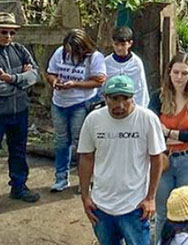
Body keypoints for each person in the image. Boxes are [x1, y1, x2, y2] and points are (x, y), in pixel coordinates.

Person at [79, 75, 165, 245]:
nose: (119, 105)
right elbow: (86, 157)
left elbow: (157, 159)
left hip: (134, 206)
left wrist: (150, 197)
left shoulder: (147, 119)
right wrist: (85, 196)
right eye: (113, 99)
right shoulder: (94, 120)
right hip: (102, 205)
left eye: (124, 99)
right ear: (105, 98)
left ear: (132, 97)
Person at [150, 52, 188, 241]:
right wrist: (182, 136)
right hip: (164, 159)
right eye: (176, 72)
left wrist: (168, 133)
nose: (179, 78)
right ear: (169, 72)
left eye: (184, 73)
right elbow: (151, 129)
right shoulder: (157, 97)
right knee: (163, 212)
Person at [46, 28, 107, 192]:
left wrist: (75, 84)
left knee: (81, 142)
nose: (70, 53)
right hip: (59, 103)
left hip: (81, 103)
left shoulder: (94, 57)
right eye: (68, 49)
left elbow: (100, 80)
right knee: (60, 140)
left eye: (74, 50)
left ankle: (84, 180)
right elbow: (50, 73)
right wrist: (54, 82)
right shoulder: (59, 53)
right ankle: (60, 177)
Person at [0, 12, 39, 202]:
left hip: (20, 111)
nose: (8, 36)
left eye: (11, 33)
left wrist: (11, 79)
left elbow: (35, 76)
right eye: (3, 32)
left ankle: (19, 186)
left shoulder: (20, 50)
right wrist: (21, 82)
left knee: (19, 151)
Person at [105, 26, 150, 107]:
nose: (119, 48)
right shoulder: (106, 62)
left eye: (123, 45)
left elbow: (140, 89)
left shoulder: (136, 63)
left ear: (130, 43)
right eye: (116, 44)